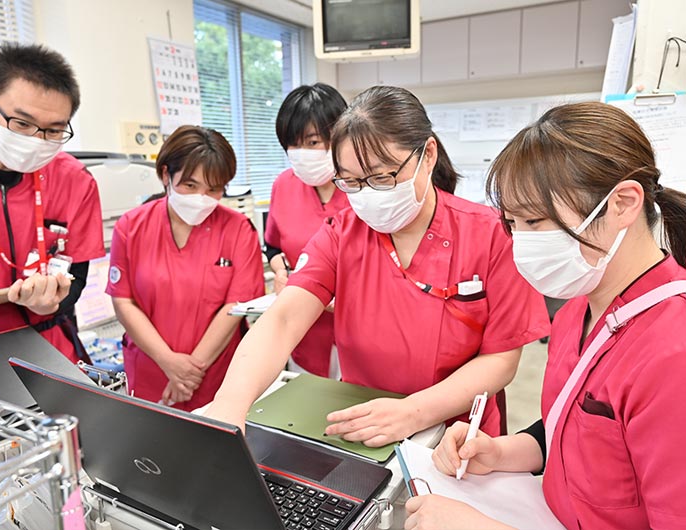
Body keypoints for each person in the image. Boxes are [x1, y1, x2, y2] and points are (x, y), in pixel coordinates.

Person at [206, 86, 549, 444]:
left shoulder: (491, 234)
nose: (368, 194)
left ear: (427, 155)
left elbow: (501, 360)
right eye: (351, 182)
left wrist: (414, 412)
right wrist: (230, 406)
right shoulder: (342, 233)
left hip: (457, 434)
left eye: (382, 177)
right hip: (361, 424)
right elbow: (283, 320)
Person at [414, 102, 686, 529]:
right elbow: (570, 427)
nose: (520, 243)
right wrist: (501, 452)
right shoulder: (578, 307)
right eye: (512, 223)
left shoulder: (673, 354)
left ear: (623, 203)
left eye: (535, 221)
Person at [0, 41, 104, 362]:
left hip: (47, 343)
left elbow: (77, 274)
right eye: (22, 124)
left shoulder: (75, 180)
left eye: (54, 130)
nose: (35, 142)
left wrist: (54, 301)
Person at [106, 125, 265, 412]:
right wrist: (168, 362)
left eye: (214, 189)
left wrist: (189, 374)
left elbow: (235, 307)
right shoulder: (131, 227)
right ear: (166, 175)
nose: (201, 198)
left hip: (215, 375)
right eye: (190, 186)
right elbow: (123, 301)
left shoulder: (238, 229)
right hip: (151, 370)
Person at [264, 83, 349, 378]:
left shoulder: (362, 187)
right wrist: (281, 272)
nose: (302, 153)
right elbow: (273, 247)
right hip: (305, 333)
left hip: (358, 332)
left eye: (312, 143)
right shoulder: (284, 185)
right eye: (293, 144)